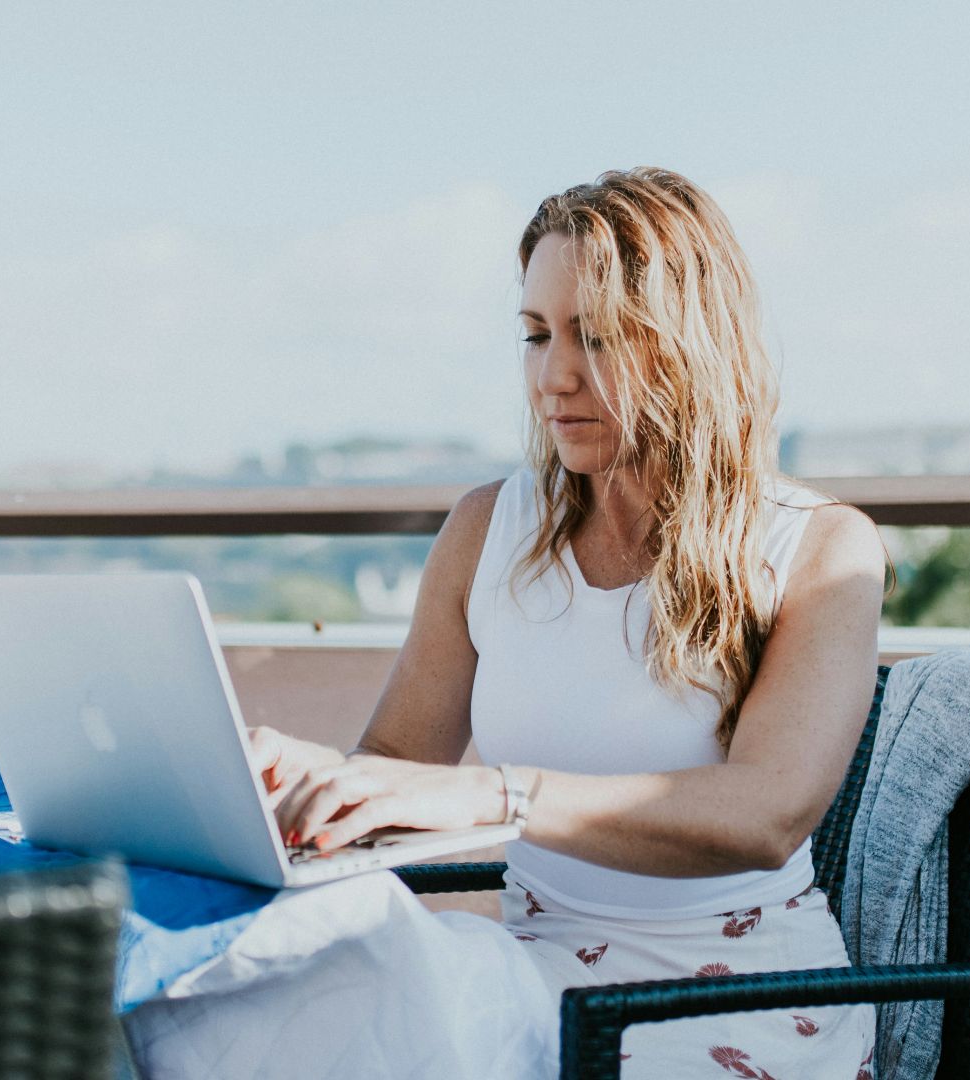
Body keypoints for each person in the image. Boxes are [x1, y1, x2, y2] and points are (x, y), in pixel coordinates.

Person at [126, 167, 885, 1079]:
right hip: (524, 975)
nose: (552, 376)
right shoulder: (489, 530)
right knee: (210, 1020)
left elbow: (769, 813)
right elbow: (401, 770)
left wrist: (500, 797)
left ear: (690, 347)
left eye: (596, 337)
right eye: (534, 336)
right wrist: (317, 780)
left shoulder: (822, 549)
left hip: (733, 1002)